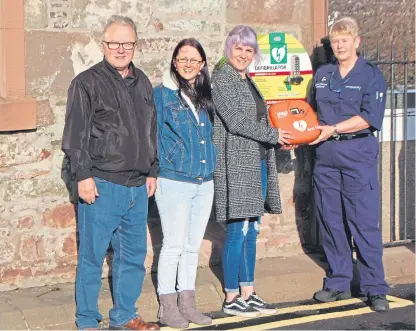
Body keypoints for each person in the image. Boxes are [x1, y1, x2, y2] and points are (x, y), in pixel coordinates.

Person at [62, 15, 160, 330]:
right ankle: (87, 320)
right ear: (104, 45)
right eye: (114, 43)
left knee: (132, 258)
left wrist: (152, 170)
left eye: (127, 43)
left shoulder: (142, 81)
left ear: (135, 45)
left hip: (136, 187)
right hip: (102, 184)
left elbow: (151, 129)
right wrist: (83, 177)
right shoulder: (86, 83)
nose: (121, 49)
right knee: (92, 259)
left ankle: (124, 315)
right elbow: (74, 136)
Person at [309, 17, 389, 312]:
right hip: (326, 159)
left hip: (357, 156)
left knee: (364, 223)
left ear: (357, 42)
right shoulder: (322, 74)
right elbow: (309, 113)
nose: (340, 45)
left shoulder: (370, 75)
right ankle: (339, 282)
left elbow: (369, 117)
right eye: (335, 40)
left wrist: (334, 129)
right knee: (331, 223)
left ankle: (375, 287)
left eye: (345, 39)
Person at [211, 25, 293, 317]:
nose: (243, 54)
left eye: (249, 50)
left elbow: (259, 119)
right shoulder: (223, 79)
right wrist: (273, 136)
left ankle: (249, 291)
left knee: (252, 229)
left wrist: (277, 136)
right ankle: (231, 297)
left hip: (256, 161)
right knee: (237, 231)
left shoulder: (247, 80)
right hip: (236, 164)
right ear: (228, 49)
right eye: (238, 48)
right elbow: (235, 122)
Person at [153, 38, 217, 328]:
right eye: (183, 58)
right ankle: (167, 307)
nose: (189, 64)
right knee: (174, 244)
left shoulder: (205, 94)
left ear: (202, 65)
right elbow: (151, 136)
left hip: (204, 181)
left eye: (195, 60)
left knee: (192, 246)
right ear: (174, 62)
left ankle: (187, 304)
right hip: (174, 180)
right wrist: (151, 173)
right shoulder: (162, 95)